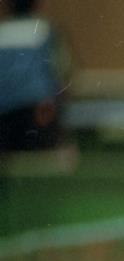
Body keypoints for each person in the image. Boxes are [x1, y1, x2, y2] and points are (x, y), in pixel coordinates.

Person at [0, 0, 73, 152]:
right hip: (39, 112)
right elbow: (64, 72)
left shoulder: (2, 30)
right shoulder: (46, 29)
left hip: (4, 116)